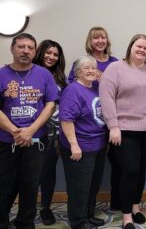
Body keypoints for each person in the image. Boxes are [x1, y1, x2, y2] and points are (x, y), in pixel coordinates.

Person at [100, 34, 146, 229]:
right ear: (130, 47)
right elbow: (106, 99)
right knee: (130, 170)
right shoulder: (115, 69)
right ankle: (126, 216)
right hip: (124, 130)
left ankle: (135, 206)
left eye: (145, 48)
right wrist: (113, 126)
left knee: (141, 169)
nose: (142, 50)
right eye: (138, 46)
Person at [0, 33, 58, 229]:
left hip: (36, 141)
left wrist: (31, 130)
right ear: (13, 49)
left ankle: (25, 223)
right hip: (6, 141)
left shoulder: (44, 74)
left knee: (30, 185)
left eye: (30, 48)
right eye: (21, 47)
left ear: (35, 51)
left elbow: (50, 104)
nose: (25, 51)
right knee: (3, 184)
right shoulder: (1, 74)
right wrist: (16, 131)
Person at [68, 26, 120, 211]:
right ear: (90, 42)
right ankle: (83, 213)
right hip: (88, 122)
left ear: (107, 41)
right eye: (95, 38)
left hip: (111, 122)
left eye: (102, 37)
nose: (99, 41)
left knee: (114, 165)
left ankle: (117, 203)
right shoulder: (83, 63)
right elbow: (73, 88)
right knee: (86, 172)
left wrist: (104, 78)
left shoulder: (115, 63)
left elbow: (121, 89)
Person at [60, 56, 107, 229]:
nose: (91, 71)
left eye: (94, 68)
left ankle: (88, 215)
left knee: (92, 185)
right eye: (86, 68)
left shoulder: (95, 88)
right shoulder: (73, 90)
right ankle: (78, 221)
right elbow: (66, 119)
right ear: (77, 72)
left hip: (98, 145)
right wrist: (74, 144)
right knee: (79, 187)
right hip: (80, 147)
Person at [34, 40, 68, 225]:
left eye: (55, 54)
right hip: (32, 131)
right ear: (40, 52)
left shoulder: (61, 78)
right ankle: (24, 208)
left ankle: (45, 208)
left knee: (48, 172)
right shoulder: (30, 72)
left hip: (54, 133)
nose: (51, 57)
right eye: (48, 53)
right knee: (26, 172)